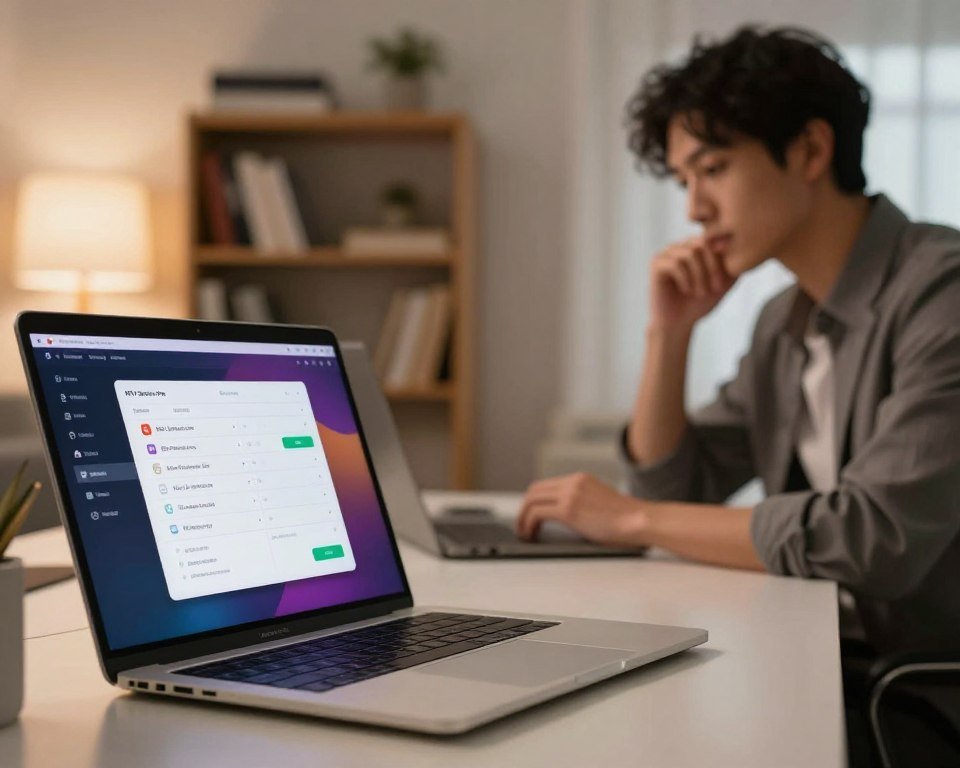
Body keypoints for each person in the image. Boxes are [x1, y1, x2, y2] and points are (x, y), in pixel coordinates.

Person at [516, 25, 960, 763]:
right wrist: (670, 334)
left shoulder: (941, 296)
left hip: (922, 694)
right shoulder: (785, 322)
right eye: (684, 182)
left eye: (713, 169)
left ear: (811, 152)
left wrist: (629, 518)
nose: (694, 210)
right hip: (846, 663)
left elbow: (871, 537)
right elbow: (677, 483)